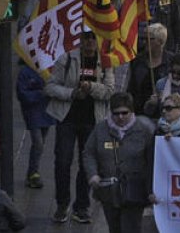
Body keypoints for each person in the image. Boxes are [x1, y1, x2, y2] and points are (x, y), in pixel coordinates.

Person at [45, 31, 115, 224]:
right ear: (80, 40)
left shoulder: (105, 62)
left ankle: (82, 206)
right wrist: (72, 93)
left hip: (92, 121)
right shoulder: (67, 59)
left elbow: (110, 91)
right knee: (62, 161)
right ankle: (62, 204)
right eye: (86, 37)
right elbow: (50, 87)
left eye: (93, 37)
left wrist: (91, 88)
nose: (90, 41)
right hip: (67, 119)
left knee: (87, 164)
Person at [84, 92, 156, 233]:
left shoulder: (144, 129)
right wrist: (92, 174)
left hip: (134, 190)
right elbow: (89, 153)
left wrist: (151, 188)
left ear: (132, 111)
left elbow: (153, 159)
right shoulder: (100, 129)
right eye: (116, 113)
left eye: (125, 113)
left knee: (131, 228)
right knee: (114, 228)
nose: (120, 117)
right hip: (109, 191)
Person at [16, 60, 54, 190]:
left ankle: (32, 172)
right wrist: (40, 94)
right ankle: (33, 172)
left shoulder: (49, 69)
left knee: (40, 142)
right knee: (38, 142)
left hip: (46, 111)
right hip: (33, 112)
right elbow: (22, 94)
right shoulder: (26, 72)